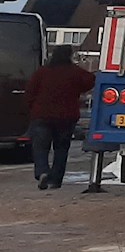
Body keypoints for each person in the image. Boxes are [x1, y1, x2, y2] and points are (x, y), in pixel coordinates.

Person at [25, 44, 94, 191]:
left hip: (41, 115)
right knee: (61, 149)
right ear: (69, 56)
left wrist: (33, 109)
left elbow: (30, 91)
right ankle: (55, 181)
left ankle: (42, 171)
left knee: (40, 148)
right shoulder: (74, 72)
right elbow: (90, 80)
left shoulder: (42, 72)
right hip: (66, 117)